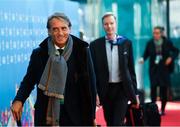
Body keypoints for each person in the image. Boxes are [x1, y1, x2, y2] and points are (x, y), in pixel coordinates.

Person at [10, 12, 96, 126]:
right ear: (49, 31)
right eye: (55, 29)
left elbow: (90, 85)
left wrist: (92, 116)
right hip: (46, 115)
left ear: (69, 29)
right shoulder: (39, 54)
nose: (60, 33)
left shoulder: (82, 51)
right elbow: (28, 81)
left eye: (64, 28)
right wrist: (19, 100)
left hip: (77, 116)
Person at [90, 12, 140, 126]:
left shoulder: (126, 43)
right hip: (105, 90)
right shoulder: (95, 45)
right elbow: (93, 73)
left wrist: (135, 93)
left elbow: (131, 71)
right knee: (110, 122)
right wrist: (95, 93)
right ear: (103, 26)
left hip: (122, 89)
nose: (109, 26)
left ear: (116, 24)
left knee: (117, 122)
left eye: (111, 23)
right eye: (106, 24)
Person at [139, 26, 179, 115]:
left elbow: (176, 51)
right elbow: (146, 54)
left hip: (164, 69)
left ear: (161, 34)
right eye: (154, 33)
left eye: (157, 33)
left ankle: (163, 109)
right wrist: (142, 59)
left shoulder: (167, 42)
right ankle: (153, 109)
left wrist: (171, 58)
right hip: (154, 69)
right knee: (153, 89)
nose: (155, 35)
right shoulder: (150, 43)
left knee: (163, 89)